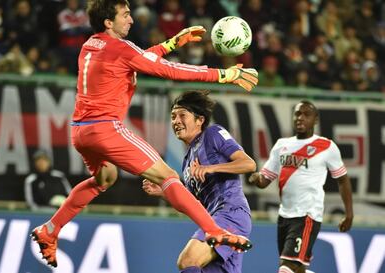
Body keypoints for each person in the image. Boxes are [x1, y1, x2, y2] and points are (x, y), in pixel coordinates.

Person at [30, 0, 259, 268]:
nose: (131, 20)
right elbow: (167, 69)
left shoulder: (90, 45)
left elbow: (135, 60)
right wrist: (223, 74)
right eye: (125, 15)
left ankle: (51, 229)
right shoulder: (121, 48)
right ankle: (214, 231)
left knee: (105, 178)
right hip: (106, 128)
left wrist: (171, 44)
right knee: (168, 176)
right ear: (108, 22)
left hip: (81, 132)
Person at [143, 90, 256, 273]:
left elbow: (249, 164)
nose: (176, 121)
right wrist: (164, 194)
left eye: (182, 115)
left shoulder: (213, 133)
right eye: (173, 116)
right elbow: (192, 205)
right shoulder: (187, 161)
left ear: (200, 120)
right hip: (212, 220)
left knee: (188, 261)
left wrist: (211, 168)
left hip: (230, 213)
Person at [248, 100, 353, 273]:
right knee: (297, 267)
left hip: (307, 215)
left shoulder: (326, 146)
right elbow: (265, 179)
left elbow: (342, 179)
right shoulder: (282, 145)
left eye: (306, 114)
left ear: (315, 119)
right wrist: (255, 177)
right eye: (297, 114)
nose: (300, 118)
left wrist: (349, 213)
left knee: (286, 267)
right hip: (284, 216)